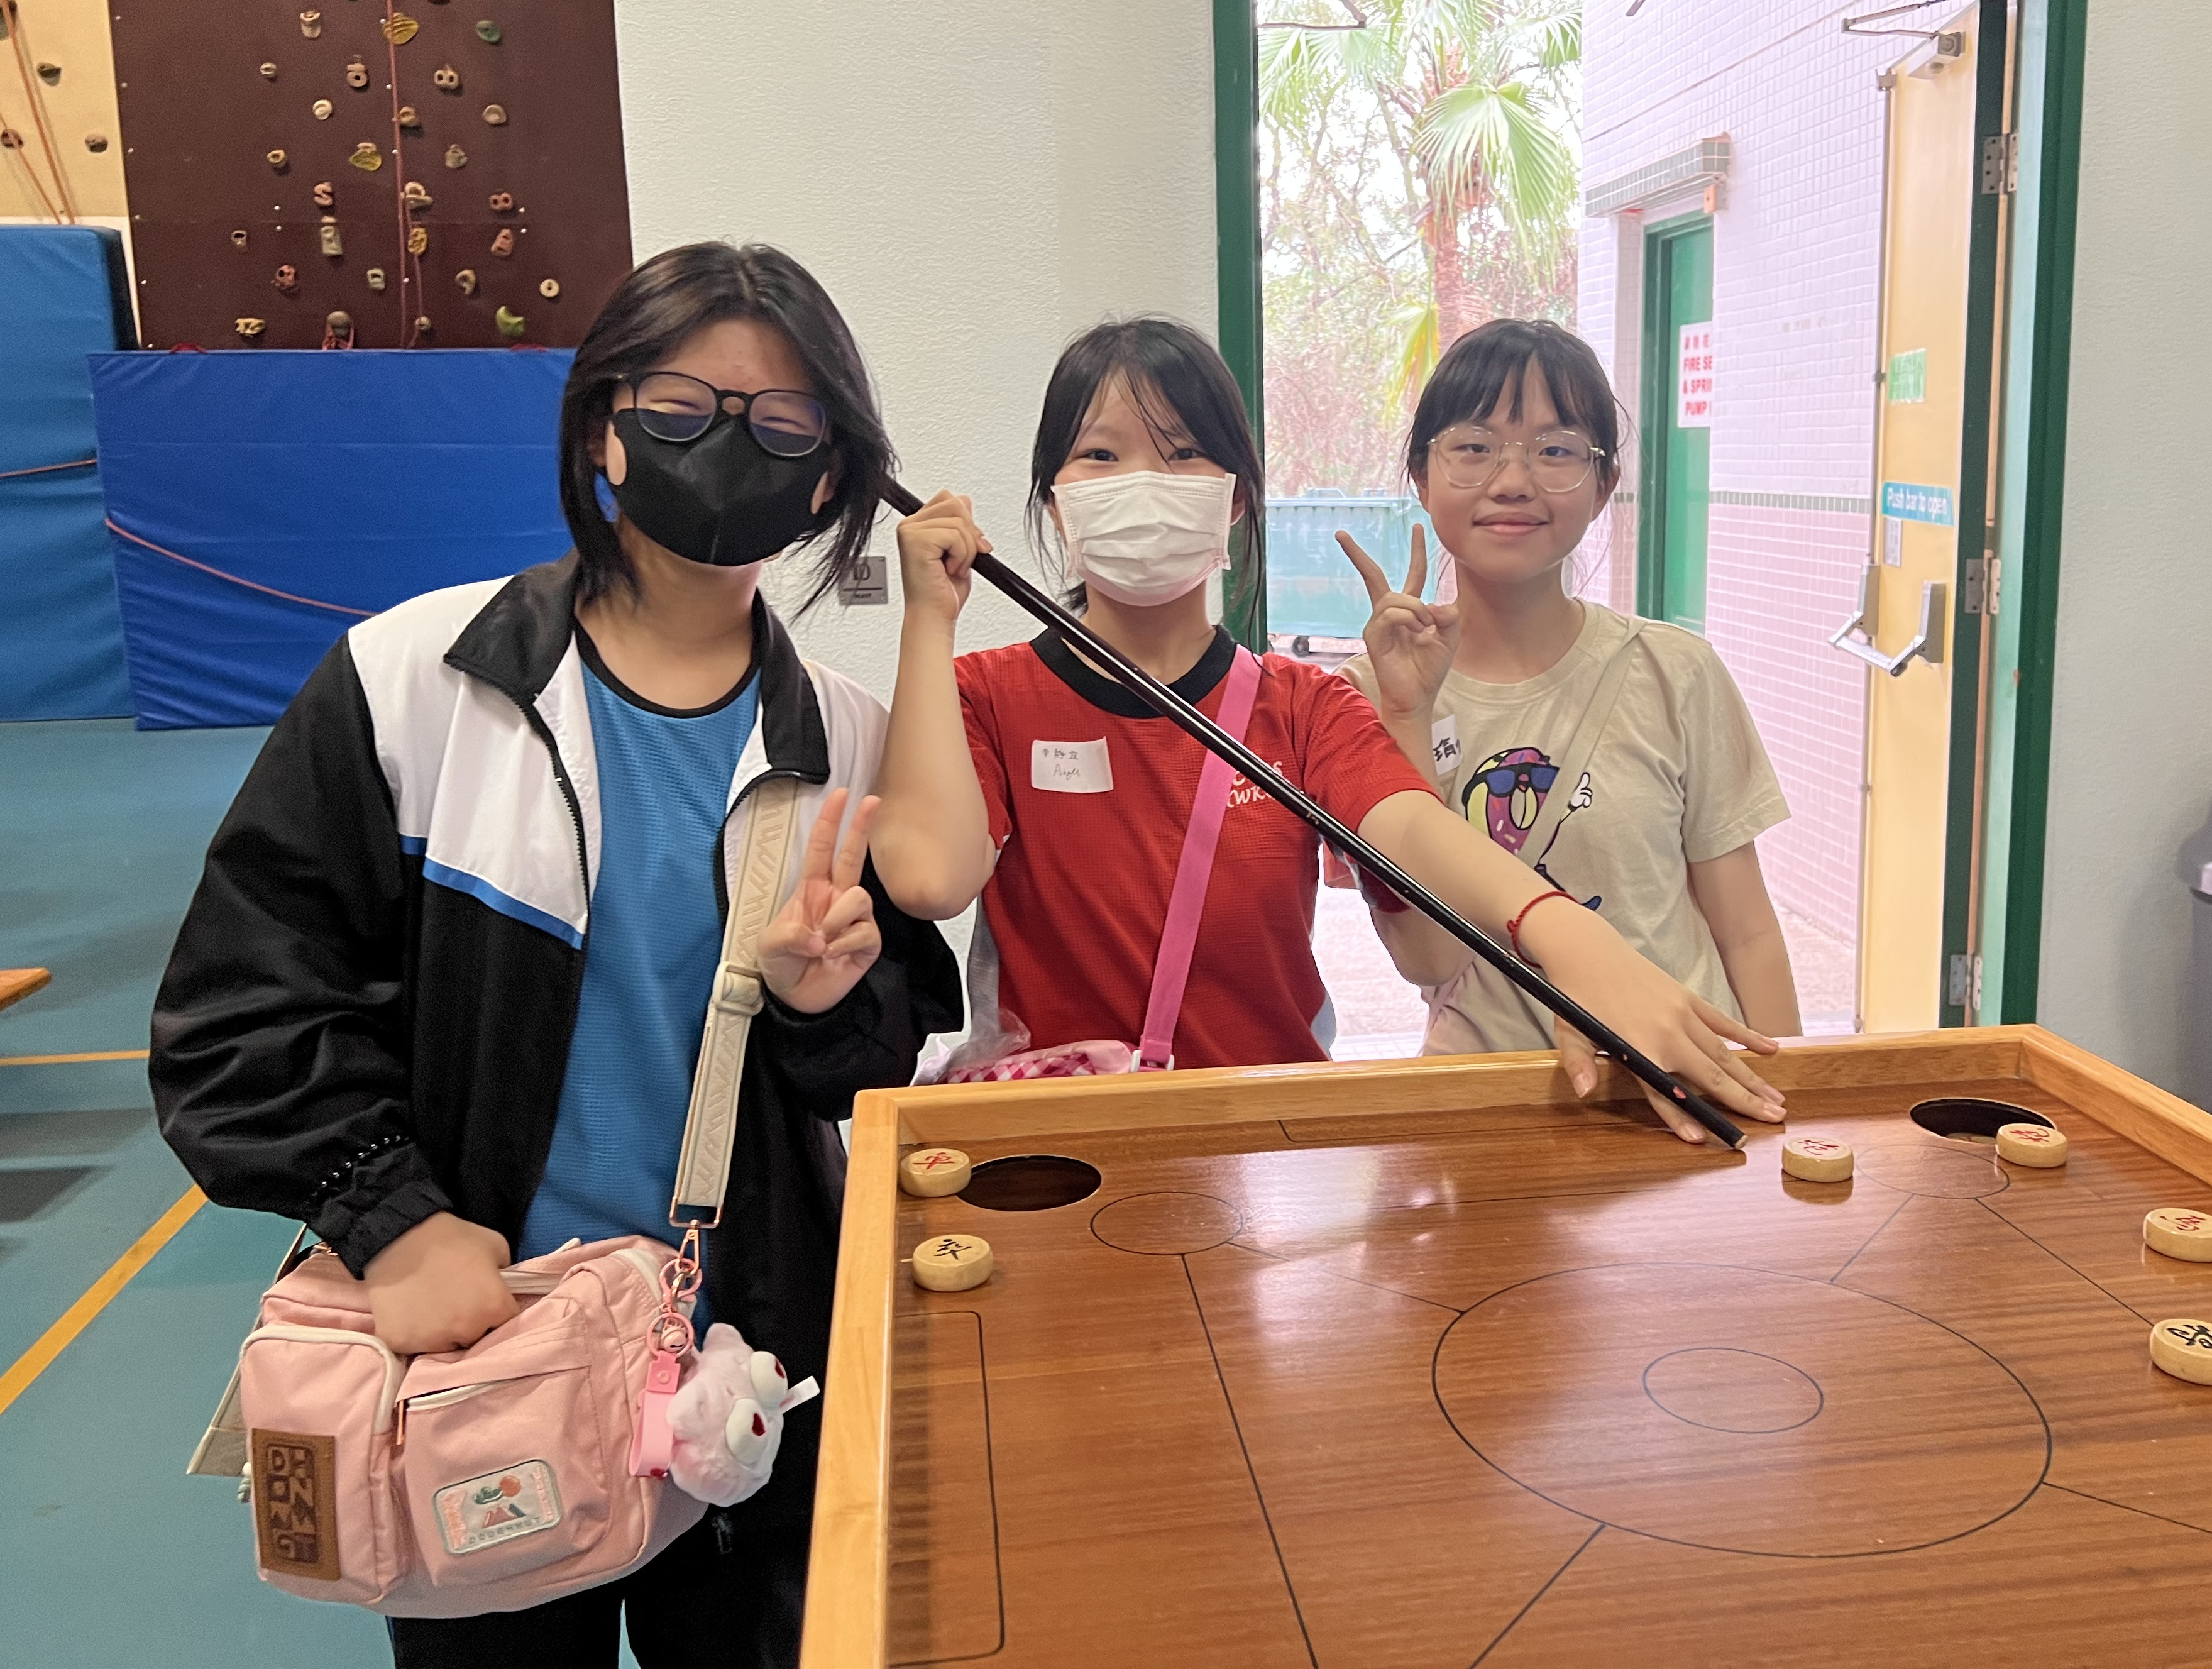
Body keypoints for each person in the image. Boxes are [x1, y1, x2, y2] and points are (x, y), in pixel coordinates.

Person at [150, 242, 962, 1668]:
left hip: (745, 1367)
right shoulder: (414, 684)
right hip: (488, 1364)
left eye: (783, 425)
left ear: (830, 475)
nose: (729, 447)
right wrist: (388, 1213)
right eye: (680, 409)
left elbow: (879, 1054)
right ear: (602, 429)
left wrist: (821, 1005)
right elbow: (238, 1007)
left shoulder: (842, 737)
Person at [869, 316, 1786, 1133]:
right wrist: (927, 619)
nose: (1144, 482)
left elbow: (1413, 833)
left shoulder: (1304, 703)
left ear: (1235, 495)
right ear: (1054, 495)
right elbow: (929, 878)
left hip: (1269, 1144)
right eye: (1102, 456)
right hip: (1059, 1152)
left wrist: (1568, 937)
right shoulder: (981, 694)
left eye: (1183, 454)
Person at [1331, 316, 1802, 1056]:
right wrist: (1407, 712)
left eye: (1555, 451)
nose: (1512, 482)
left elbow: (1746, 932)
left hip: (1685, 1084)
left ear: (1604, 483)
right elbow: (1429, 957)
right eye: (1474, 448)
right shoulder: (1359, 699)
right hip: (1489, 1098)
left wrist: (1792, 1097)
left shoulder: (1675, 671)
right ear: (1422, 475)